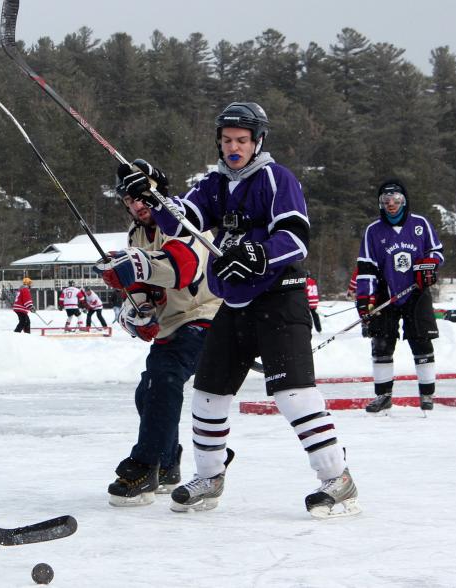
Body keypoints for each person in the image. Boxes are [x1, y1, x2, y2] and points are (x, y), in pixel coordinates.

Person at [118, 102, 359, 518]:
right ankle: (209, 478)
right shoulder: (213, 184)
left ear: (257, 141)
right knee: (208, 396)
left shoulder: (275, 177)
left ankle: (337, 480)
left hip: (281, 298)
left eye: (242, 141)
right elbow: (180, 222)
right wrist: (150, 196)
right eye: (227, 140)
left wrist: (257, 254)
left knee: (293, 395)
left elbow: (297, 239)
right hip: (234, 303)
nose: (234, 148)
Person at [94, 177, 220, 507]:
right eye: (129, 202)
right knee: (147, 390)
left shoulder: (184, 220)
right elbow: (143, 285)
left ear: (158, 194)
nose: (136, 206)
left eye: (142, 198)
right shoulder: (136, 234)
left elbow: (183, 270)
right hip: (172, 323)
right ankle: (166, 464)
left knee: (164, 378)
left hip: (204, 315)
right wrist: (138, 309)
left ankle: (144, 467)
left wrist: (134, 266)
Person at [356, 179, 444, 414]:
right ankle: (383, 396)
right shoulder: (373, 231)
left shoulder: (420, 224)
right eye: (386, 201)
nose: (391, 205)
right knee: (381, 343)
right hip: (386, 293)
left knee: (421, 341)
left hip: (416, 292)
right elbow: (366, 267)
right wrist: (365, 300)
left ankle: (427, 395)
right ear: (381, 204)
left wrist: (429, 265)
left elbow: (436, 251)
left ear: (404, 201)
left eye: (396, 200)